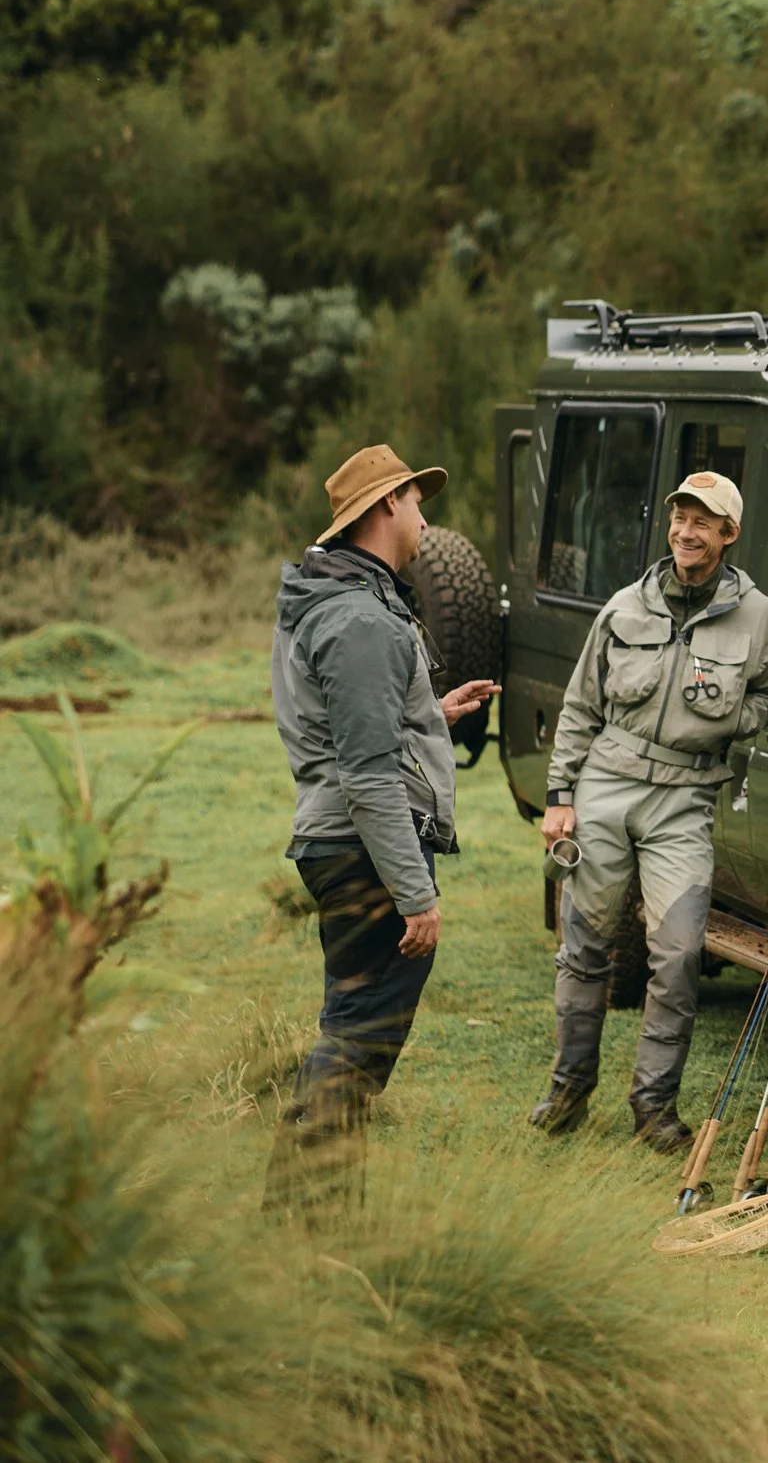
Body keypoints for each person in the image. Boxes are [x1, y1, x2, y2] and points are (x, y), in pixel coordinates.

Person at [268, 445, 498, 1209]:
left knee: (347, 1029)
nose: (425, 517)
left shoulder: (347, 602)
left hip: (342, 839)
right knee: (356, 1046)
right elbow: (366, 774)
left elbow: (358, 731)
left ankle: (313, 1213)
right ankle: (314, 1221)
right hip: (367, 849)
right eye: (415, 500)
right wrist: (414, 893)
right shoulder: (360, 618)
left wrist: (433, 711)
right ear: (383, 507)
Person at [530, 471, 768, 1151]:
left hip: (685, 799)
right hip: (606, 786)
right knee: (584, 947)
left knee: (678, 955)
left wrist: (733, 714)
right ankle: (568, 1088)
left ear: (728, 534)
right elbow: (580, 706)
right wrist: (559, 798)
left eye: (702, 522)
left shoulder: (759, 617)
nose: (685, 532)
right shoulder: (623, 606)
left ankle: (654, 1106)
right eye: (679, 517)